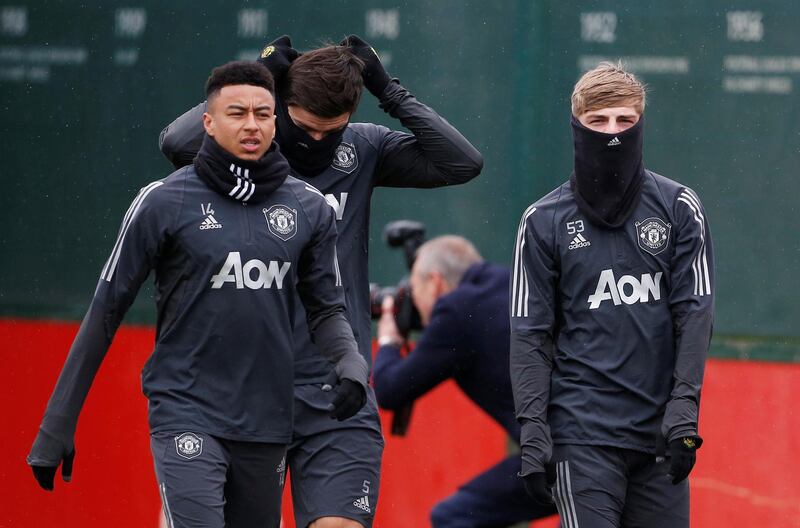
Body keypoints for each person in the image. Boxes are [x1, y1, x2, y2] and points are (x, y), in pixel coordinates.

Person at [27, 61, 369, 528]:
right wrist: (57, 424)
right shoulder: (164, 201)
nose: (252, 124)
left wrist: (349, 362)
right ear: (208, 121)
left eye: (263, 114)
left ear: (275, 122)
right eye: (237, 112)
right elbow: (105, 313)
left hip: (267, 420)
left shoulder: (309, 207)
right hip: (187, 410)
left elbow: (327, 308)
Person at [159, 36, 483, 528]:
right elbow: (176, 144)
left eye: (330, 132)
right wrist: (257, 76)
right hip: (240, 390)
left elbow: (461, 163)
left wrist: (387, 89)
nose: (314, 143)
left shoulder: (365, 147)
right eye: (303, 128)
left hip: (337, 388)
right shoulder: (249, 147)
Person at [510, 61, 715, 528]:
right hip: (580, 434)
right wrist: (533, 427)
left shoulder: (679, 206)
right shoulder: (543, 220)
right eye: (598, 121)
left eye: (625, 120)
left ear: (641, 122)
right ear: (577, 125)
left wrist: (684, 408)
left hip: (661, 437)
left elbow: (695, 312)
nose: (612, 132)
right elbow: (530, 333)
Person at [372, 235, 556, 527]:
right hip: (599, 442)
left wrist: (387, 341)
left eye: (414, 290)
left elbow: (390, 390)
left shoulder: (456, 310)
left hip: (557, 456)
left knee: (452, 517)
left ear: (435, 282)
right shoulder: (509, 283)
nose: (414, 302)